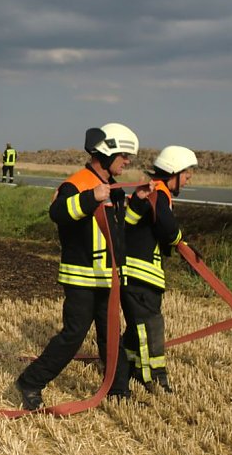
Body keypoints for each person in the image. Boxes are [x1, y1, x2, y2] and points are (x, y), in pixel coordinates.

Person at [15, 123, 152, 410]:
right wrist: (91, 198)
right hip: (81, 278)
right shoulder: (76, 184)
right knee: (73, 335)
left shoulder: (114, 191)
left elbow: (121, 228)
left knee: (110, 335)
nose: (128, 162)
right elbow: (58, 213)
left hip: (107, 278)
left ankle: (119, 391)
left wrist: (138, 203)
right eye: (124, 155)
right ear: (107, 153)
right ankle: (30, 381)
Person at [122, 145, 197, 394]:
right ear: (174, 171)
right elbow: (168, 228)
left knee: (137, 328)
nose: (188, 179)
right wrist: (181, 243)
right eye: (186, 174)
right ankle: (154, 378)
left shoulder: (153, 193)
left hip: (134, 274)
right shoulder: (159, 194)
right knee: (150, 326)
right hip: (141, 276)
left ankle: (127, 368)